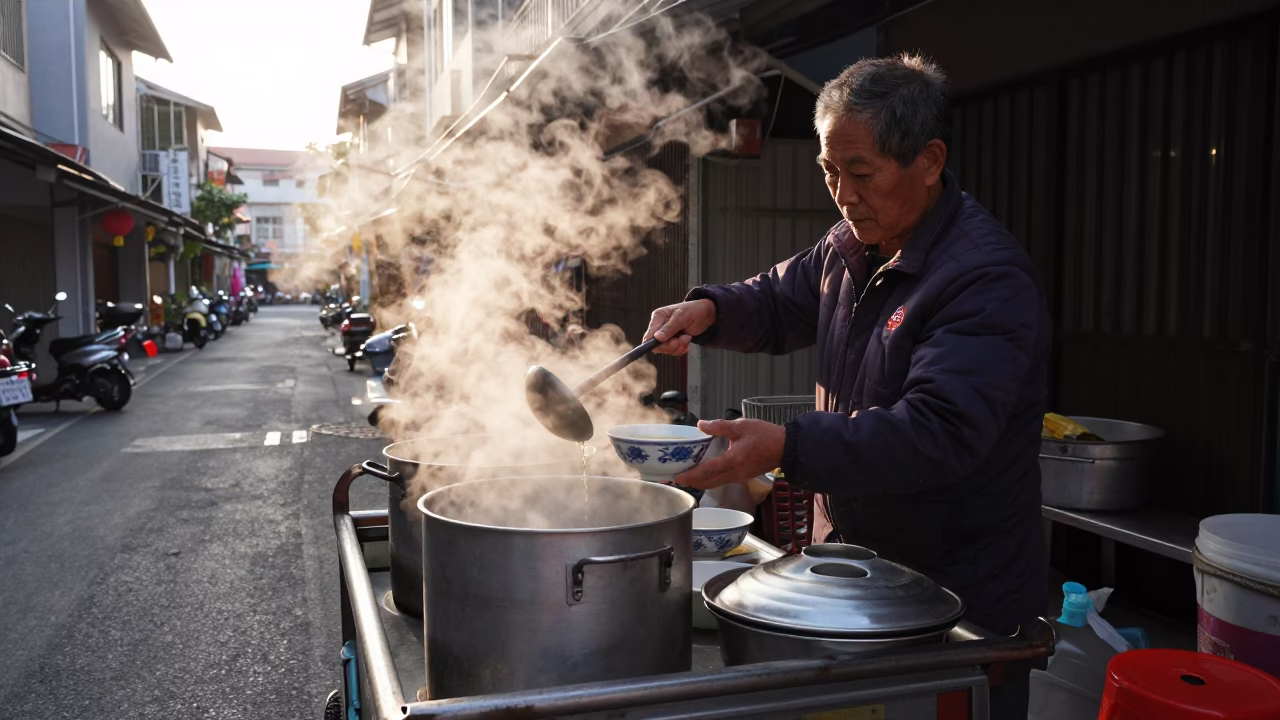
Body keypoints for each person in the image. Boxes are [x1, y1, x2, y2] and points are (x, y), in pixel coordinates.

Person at [643, 54, 1051, 719]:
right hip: (863, 575)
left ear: (929, 160)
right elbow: (776, 300)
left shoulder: (983, 278)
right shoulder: (849, 248)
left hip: (959, 602)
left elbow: (939, 434)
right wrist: (711, 309)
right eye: (830, 172)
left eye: (861, 173)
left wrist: (787, 445)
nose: (844, 193)